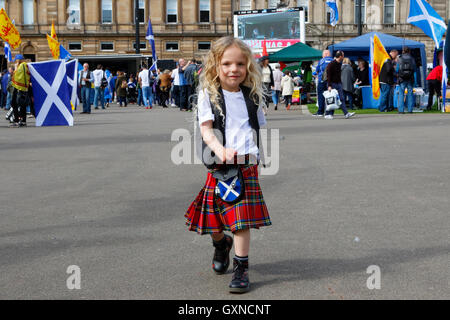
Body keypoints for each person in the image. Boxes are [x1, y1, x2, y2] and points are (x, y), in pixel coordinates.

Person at [185, 36, 271, 294]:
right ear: (215, 66)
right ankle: (221, 245)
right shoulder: (208, 94)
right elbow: (206, 131)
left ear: (248, 66)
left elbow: (255, 127)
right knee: (214, 222)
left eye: (240, 64)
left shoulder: (252, 95)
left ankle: (241, 268)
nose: (234, 69)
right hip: (220, 166)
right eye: (227, 63)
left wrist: (254, 155)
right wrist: (221, 150)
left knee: (240, 220)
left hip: (246, 165)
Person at [325, 51, 355, 120]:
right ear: (340, 56)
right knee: (331, 99)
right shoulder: (331, 64)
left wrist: (340, 83)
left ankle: (346, 113)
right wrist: (329, 85)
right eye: (343, 55)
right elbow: (328, 76)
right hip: (332, 84)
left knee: (341, 98)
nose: (344, 57)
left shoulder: (339, 64)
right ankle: (328, 114)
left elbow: (338, 75)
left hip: (338, 83)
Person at [9, 55, 30, 127]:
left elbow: (16, 76)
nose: (15, 62)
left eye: (16, 60)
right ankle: (23, 121)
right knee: (22, 105)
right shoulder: (26, 65)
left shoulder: (21, 66)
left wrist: (15, 68)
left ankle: (17, 121)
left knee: (14, 104)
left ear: (19, 60)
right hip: (24, 88)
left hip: (18, 88)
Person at [313, 49, 333, 117]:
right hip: (330, 81)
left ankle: (320, 112)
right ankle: (329, 112)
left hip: (321, 80)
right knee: (330, 96)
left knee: (321, 96)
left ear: (325, 54)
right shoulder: (333, 60)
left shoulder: (321, 61)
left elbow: (317, 71)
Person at [397, 47, 417, 114]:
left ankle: (401, 110)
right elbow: (414, 69)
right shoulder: (412, 58)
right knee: (410, 94)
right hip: (410, 78)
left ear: (403, 51)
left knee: (401, 94)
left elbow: (397, 69)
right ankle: (410, 110)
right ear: (409, 51)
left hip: (401, 78)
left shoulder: (400, 58)